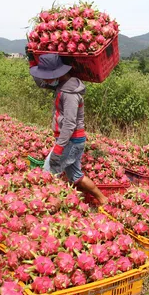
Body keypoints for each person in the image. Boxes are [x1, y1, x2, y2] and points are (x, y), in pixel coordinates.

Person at [29, 54, 108, 205]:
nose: (45, 79)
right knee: (76, 176)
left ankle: (50, 207)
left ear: (58, 73)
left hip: (71, 141)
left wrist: (59, 149)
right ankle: (104, 200)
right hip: (72, 141)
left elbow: (70, 124)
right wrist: (32, 61)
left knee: (48, 173)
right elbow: (41, 83)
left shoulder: (70, 93)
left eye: (47, 75)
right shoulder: (63, 84)